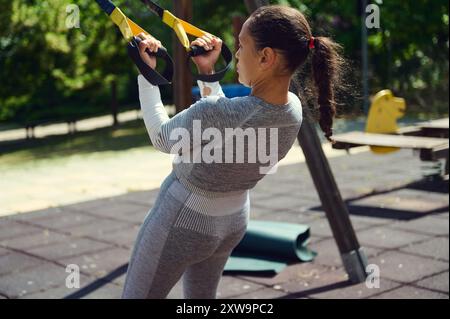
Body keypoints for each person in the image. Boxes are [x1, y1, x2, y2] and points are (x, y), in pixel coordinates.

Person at [122, 4, 343, 299]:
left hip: (183, 220)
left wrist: (147, 74)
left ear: (266, 57)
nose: (236, 53)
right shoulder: (293, 109)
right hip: (232, 221)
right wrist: (207, 72)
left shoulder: (223, 113)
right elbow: (230, 122)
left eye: (241, 46)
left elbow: (163, 138)